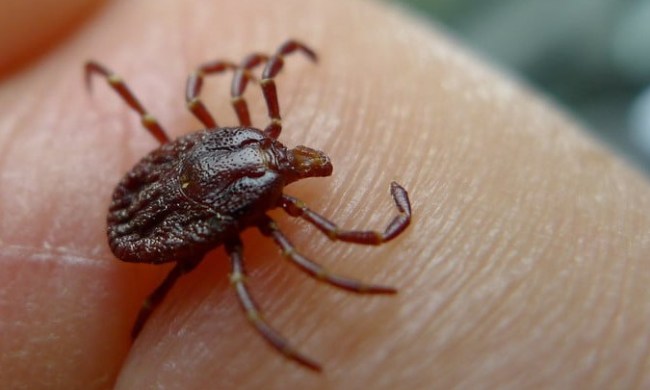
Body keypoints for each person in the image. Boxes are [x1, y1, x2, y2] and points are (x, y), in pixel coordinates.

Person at [1, 0, 648, 388]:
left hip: (153, 199)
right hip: (150, 218)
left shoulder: (259, 146)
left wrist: (271, 100)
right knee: (232, 283)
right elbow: (338, 241)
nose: (295, 158)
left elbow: (212, 82)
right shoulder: (267, 188)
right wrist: (368, 247)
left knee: (200, 99)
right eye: (283, 159)